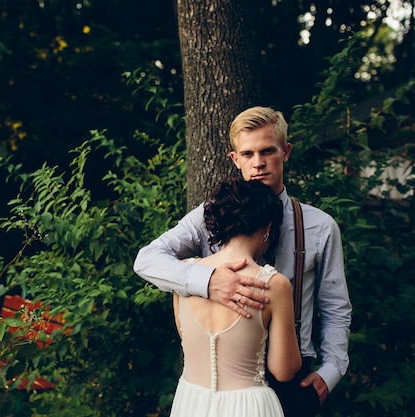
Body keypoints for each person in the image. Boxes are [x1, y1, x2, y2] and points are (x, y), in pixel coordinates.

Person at [134, 106, 352, 417]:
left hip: (293, 378)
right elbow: (147, 259)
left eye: (267, 151)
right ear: (235, 159)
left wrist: (331, 371)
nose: (258, 163)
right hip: (222, 379)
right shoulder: (210, 217)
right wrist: (209, 282)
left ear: (285, 152)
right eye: (248, 154)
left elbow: (336, 307)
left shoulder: (319, 226)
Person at [170, 178, 301, 417]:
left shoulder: (183, 275)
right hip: (249, 407)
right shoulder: (273, 284)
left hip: (191, 402)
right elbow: (284, 370)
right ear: (269, 228)